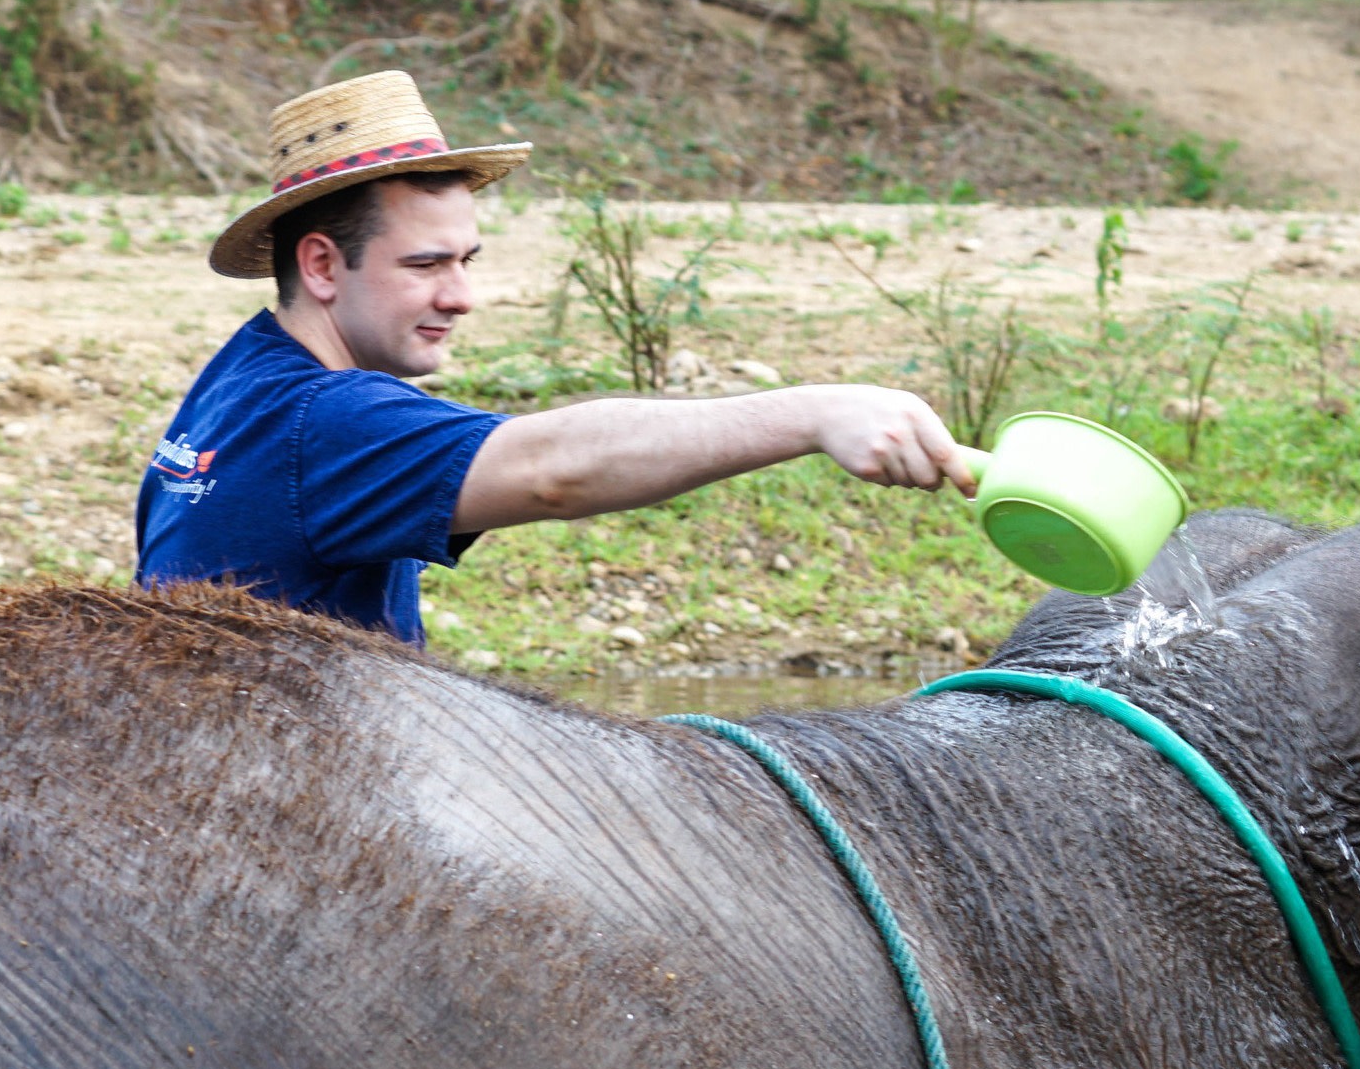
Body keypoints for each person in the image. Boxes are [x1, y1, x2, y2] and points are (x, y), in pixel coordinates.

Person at [137, 70, 972, 646]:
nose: (460, 296)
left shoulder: (239, 377)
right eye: (425, 265)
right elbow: (553, 469)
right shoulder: (324, 423)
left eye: (468, 259)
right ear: (320, 265)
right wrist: (813, 413)